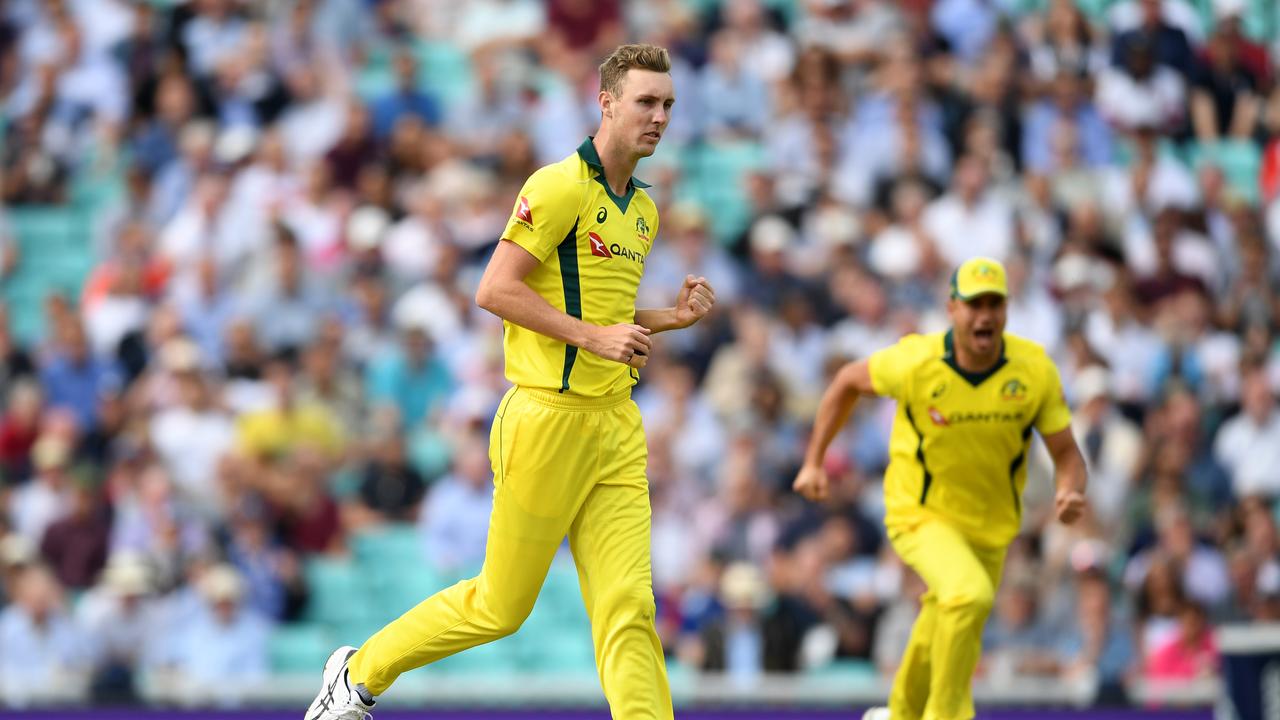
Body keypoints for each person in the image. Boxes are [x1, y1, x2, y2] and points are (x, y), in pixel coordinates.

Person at [306, 44, 715, 720]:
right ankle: (356, 674)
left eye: (668, 104)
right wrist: (593, 337)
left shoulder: (642, 208)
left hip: (615, 423)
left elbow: (602, 317)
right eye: (646, 101)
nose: (660, 116)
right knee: (501, 605)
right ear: (606, 101)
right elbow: (494, 289)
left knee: (630, 607)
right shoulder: (557, 185)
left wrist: (667, 319)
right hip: (545, 420)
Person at [792, 257, 1087, 720]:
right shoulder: (917, 361)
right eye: (974, 304)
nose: (984, 315)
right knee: (967, 595)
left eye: (994, 303)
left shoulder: (1032, 371)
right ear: (952, 308)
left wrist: (1070, 489)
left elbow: (1067, 453)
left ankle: (899, 713)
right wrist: (814, 461)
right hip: (921, 512)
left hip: (992, 527)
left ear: (1007, 309)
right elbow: (847, 380)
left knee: (947, 614)